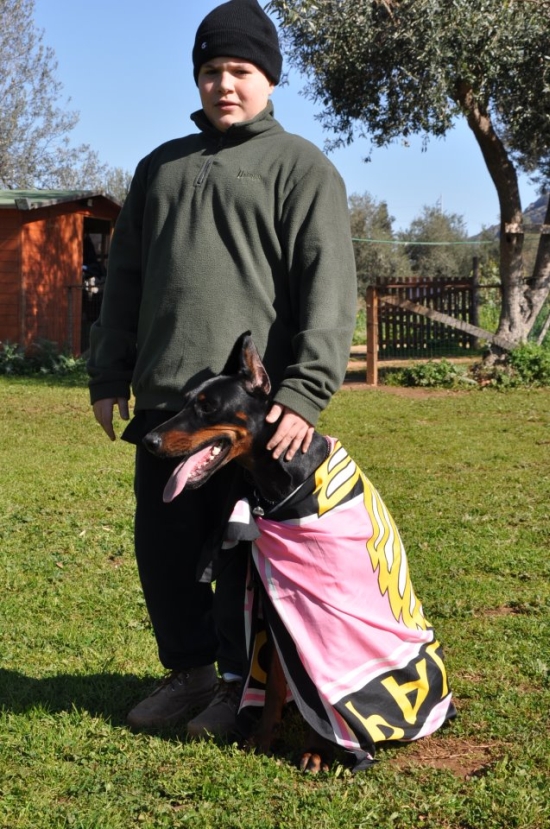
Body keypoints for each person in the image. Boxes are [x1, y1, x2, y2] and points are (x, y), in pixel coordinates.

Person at [88, 0, 357, 738]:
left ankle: (243, 687)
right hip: (168, 405)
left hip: (251, 418)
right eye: (211, 70)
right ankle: (190, 674)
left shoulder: (301, 167)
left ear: (269, 77)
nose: (224, 84)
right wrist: (109, 374)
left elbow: (329, 290)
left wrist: (304, 391)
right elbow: (125, 281)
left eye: (240, 70)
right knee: (166, 548)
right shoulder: (160, 167)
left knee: (244, 559)